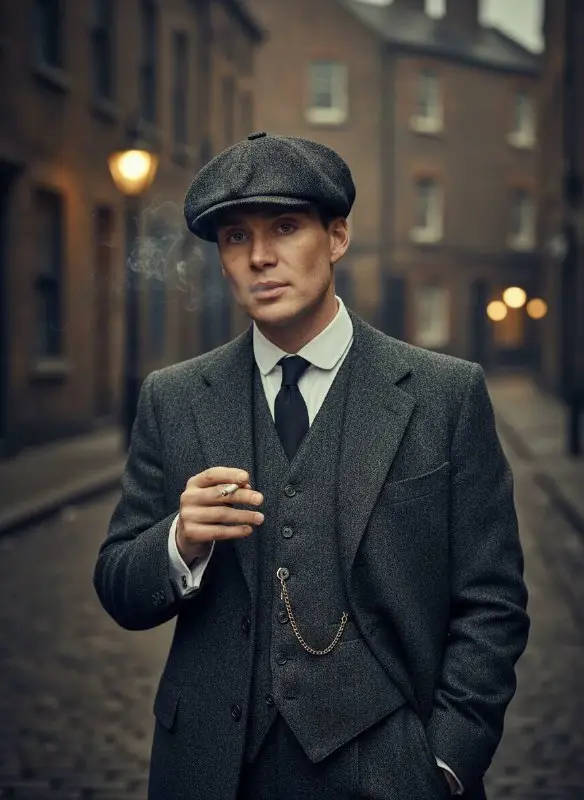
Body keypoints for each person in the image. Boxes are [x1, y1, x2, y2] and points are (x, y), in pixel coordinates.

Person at [93, 132, 530, 800]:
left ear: (337, 237)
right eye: (236, 237)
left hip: (388, 770)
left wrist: (446, 761)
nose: (260, 257)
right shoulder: (173, 398)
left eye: (286, 227)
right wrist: (178, 542)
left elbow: (492, 601)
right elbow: (118, 583)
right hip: (213, 770)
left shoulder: (445, 394)